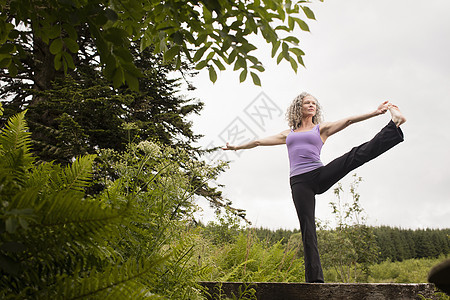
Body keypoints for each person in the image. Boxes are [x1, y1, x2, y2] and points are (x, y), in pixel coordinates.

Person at [222, 92, 406, 283]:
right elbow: (258, 142)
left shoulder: (321, 129)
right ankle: (314, 282)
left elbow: (349, 120)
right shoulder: (288, 134)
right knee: (307, 228)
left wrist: (375, 113)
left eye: (314, 103)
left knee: (353, 156)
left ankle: (394, 127)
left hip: (319, 175)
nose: (311, 105)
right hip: (299, 183)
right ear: (298, 107)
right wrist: (236, 147)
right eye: (307, 103)